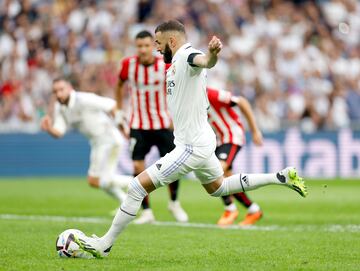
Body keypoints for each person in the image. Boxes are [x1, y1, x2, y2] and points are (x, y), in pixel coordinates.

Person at [74, 20, 307, 258]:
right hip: (200, 140)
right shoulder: (174, 62)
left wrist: (212, 55)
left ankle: (105, 244)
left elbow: (204, 61)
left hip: (191, 146)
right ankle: (280, 177)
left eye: (158, 43)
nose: (156, 48)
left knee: (136, 187)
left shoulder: (187, 56)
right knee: (219, 188)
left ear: (172, 42)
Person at [114, 30, 188, 224]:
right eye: (139, 46)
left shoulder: (164, 65)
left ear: (152, 45)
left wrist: (176, 114)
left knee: (173, 166)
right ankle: (146, 211)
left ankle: (174, 202)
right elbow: (119, 85)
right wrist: (119, 110)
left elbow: (177, 88)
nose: (143, 50)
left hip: (163, 123)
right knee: (138, 165)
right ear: (135, 47)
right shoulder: (128, 65)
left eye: (147, 45)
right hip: (138, 124)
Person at [41, 78, 132, 205]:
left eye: (61, 90)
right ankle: (127, 201)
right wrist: (49, 128)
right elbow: (59, 131)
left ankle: (137, 183)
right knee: (100, 181)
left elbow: (112, 105)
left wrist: (122, 127)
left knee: (96, 180)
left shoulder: (84, 99)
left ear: (70, 88)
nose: (58, 94)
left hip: (108, 140)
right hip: (97, 143)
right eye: (55, 91)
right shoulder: (60, 107)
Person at [207, 87, 263, 226]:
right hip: (218, 140)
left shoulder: (209, 94)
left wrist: (255, 131)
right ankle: (253, 209)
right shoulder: (189, 100)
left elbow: (242, 102)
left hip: (231, 136)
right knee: (226, 178)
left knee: (216, 172)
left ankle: (230, 209)